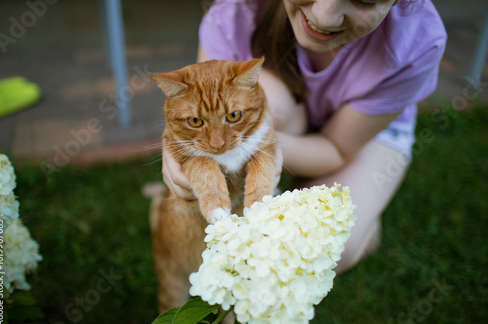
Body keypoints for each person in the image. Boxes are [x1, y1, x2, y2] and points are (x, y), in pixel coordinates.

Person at [162, 0, 447, 273]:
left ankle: (359, 216)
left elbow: (336, 148)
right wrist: (182, 149)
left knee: (328, 245)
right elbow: (200, 108)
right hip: (288, 115)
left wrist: (261, 149)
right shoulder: (234, 11)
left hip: (361, 135)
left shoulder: (419, 40)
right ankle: (306, 190)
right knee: (269, 107)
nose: (325, 17)